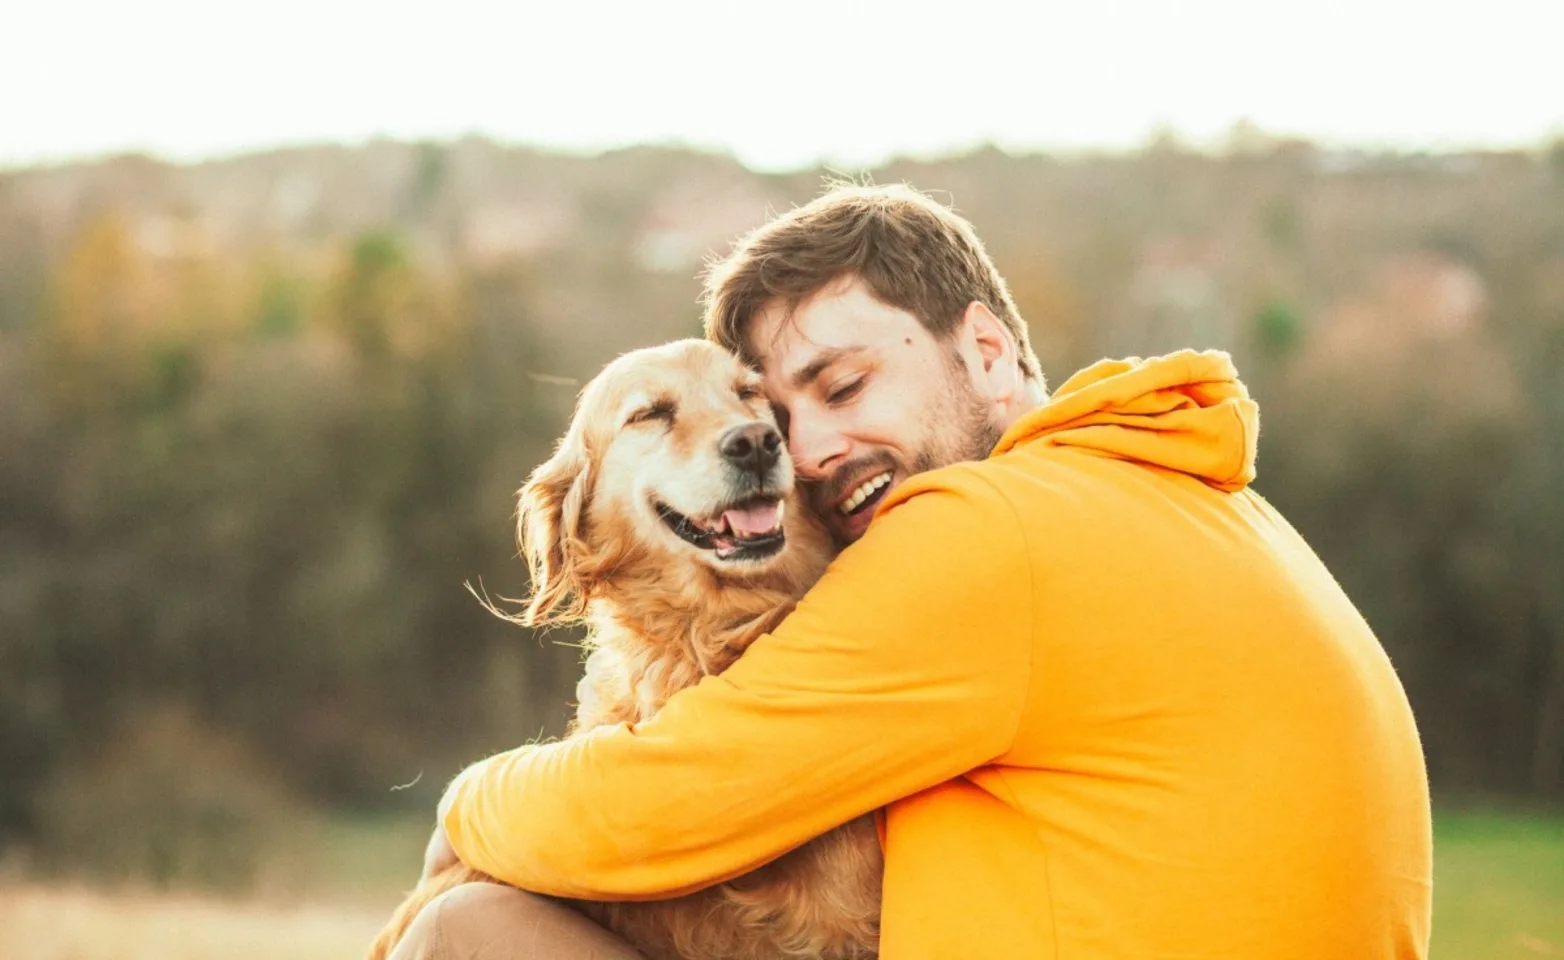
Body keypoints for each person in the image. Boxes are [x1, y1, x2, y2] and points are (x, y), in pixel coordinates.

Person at [394, 184, 1433, 959]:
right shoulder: (1190, 499)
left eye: (845, 386)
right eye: (784, 414)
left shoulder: (988, 530)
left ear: (988, 351)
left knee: (466, 931)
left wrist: (467, 805)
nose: (803, 452)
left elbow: (670, 798)